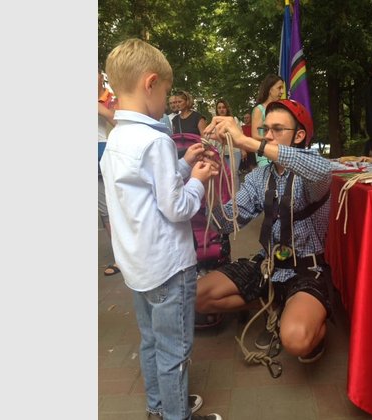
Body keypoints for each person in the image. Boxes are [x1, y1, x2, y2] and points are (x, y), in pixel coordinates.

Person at [100, 38, 222, 420]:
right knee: (175, 352)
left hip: (139, 267)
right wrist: (199, 180)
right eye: (167, 92)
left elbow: (148, 190)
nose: (167, 100)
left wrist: (184, 164)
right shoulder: (155, 140)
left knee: (151, 341)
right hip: (169, 268)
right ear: (150, 83)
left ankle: (158, 406)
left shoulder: (117, 138)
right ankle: (176, 415)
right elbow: (177, 207)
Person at [195, 99, 332, 364]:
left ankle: (305, 320)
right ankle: (273, 305)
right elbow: (226, 223)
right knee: (198, 297)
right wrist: (206, 185)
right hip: (268, 264)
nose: (268, 135)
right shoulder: (259, 178)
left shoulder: (312, 169)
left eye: (277, 129)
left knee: (297, 339)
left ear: (299, 136)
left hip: (306, 269)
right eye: (265, 129)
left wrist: (245, 141)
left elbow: (322, 171)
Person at [98, 70, 120, 277]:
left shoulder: (111, 98)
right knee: (104, 210)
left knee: (115, 206)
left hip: (106, 155)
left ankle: (122, 257)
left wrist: (101, 109)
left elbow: (119, 122)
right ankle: (119, 255)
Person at [251, 75, 284, 167]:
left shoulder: (279, 109)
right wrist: (274, 138)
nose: (282, 92)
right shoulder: (259, 109)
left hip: (279, 154)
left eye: (282, 88)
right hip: (265, 156)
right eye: (279, 88)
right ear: (270, 89)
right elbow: (255, 135)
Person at [215, 99, 244, 191]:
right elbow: (213, 140)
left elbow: (240, 135)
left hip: (234, 150)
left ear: (227, 108)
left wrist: (243, 150)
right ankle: (228, 196)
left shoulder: (233, 120)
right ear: (217, 110)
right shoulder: (215, 122)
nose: (221, 109)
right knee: (225, 175)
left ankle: (237, 196)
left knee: (233, 174)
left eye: (223, 107)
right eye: (219, 108)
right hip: (221, 152)